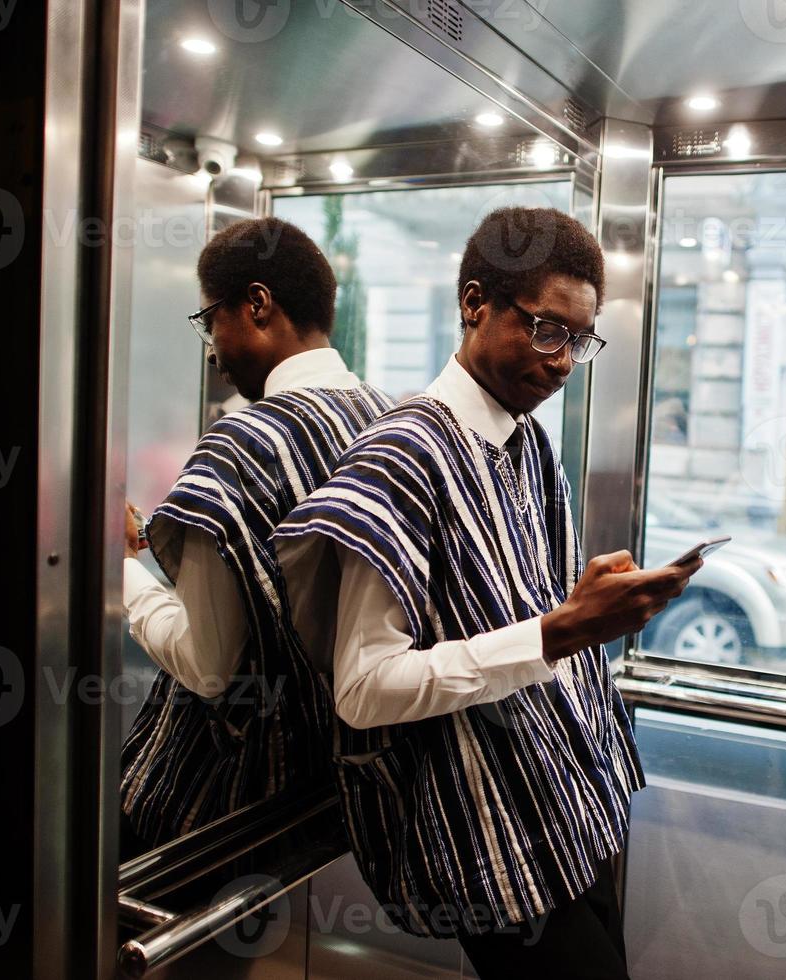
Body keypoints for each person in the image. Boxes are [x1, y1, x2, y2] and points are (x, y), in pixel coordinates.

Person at [273, 207, 699, 978]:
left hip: (575, 803)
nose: (565, 360)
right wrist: (557, 632)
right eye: (546, 330)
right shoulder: (401, 455)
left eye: (580, 340)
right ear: (475, 304)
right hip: (493, 836)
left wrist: (584, 603)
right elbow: (363, 689)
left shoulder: (525, 440)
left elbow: (516, 604)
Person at [119, 217, 394, 854]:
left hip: (208, 802)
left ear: (257, 304)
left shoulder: (243, 442)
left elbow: (210, 665)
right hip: (328, 794)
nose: (211, 346)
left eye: (210, 319)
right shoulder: (387, 419)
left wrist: (123, 573)